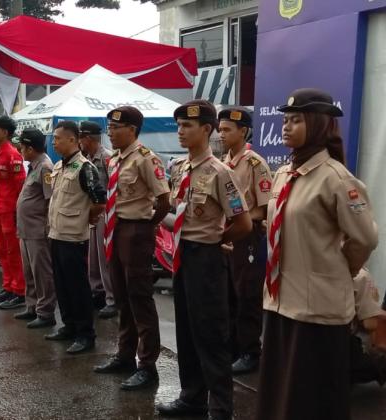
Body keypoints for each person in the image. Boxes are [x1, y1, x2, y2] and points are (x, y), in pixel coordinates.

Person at [255, 89, 378, 420]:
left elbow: (364, 238)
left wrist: (340, 268)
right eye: (285, 120)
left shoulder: (336, 179)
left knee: (311, 396)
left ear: (319, 125)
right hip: (280, 301)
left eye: (296, 120)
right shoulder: (284, 174)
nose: (286, 126)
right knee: (281, 389)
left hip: (317, 307)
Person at [156, 100, 252, 420]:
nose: (180, 131)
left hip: (206, 259)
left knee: (211, 334)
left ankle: (221, 407)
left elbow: (243, 223)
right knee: (186, 330)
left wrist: (217, 241)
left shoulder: (221, 173)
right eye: (179, 125)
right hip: (182, 256)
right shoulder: (179, 168)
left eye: (187, 126)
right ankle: (191, 397)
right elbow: (179, 214)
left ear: (207, 129)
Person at [94, 107, 171, 390]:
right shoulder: (116, 159)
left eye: (116, 128)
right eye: (109, 128)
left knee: (140, 298)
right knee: (122, 296)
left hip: (136, 230)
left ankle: (147, 365)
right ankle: (124, 355)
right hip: (116, 228)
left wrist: (147, 225)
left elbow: (164, 200)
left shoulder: (146, 159)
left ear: (132, 130)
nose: (111, 133)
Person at [218, 108, 273, 374]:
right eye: (220, 129)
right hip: (226, 234)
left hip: (247, 236)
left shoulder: (254, 164)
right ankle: (233, 347)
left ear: (243, 131)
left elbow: (264, 208)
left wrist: (239, 222)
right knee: (228, 294)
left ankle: (251, 351)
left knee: (247, 295)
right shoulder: (223, 162)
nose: (221, 134)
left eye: (227, 129)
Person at [45, 120, 106, 355]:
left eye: (57, 138)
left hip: (73, 236)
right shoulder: (59, 166)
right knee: (61, 284)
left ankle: (85, 333)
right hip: (57, 233)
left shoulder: (85, 167)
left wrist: (86, 219)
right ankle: (69, 325)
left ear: (72, 140)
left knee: (77, 286)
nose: (54, 142)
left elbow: (99, 200)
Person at [14, 128, 57, 329]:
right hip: (26, 229)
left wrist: (47, 229)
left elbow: (50, 201)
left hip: (38, 230)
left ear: (30, 149)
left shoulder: (45, 167)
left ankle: (45, 312)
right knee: (29, 271)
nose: (20, 151)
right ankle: (32, 306)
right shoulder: (34, 165)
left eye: (22, 147)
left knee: (42, 273)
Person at [0, 116, 27, 309]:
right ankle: (8, 286)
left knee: (13, 252)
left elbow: (20, 186)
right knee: (2, 250)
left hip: (10, 210)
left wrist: (18, 212)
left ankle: (20, 291)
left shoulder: (12, 155)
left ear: (6, 132)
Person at [78, 120, 116, 318]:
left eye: (81, 138)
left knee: (104, 258)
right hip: (91, 212)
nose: (79, 142)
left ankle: (112, 298)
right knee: (92, 257)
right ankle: (97, 291)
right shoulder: (86, 158)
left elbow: (114, 187)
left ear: (88, 139)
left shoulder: (107, 158)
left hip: (106, 213)